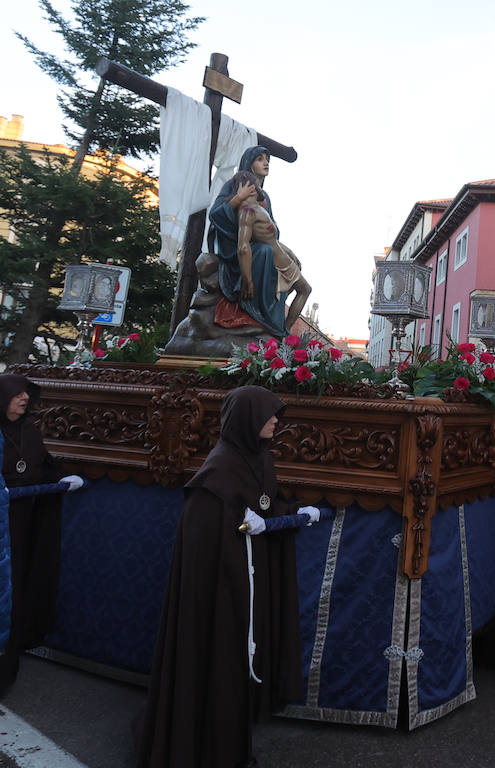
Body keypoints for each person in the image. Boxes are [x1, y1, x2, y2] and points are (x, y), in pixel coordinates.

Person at [137, 386, 318, 768]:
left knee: (237, 672)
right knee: (219, 667)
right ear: (247, 419)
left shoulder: (260, 460)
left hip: (249, 582)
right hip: (222, 593)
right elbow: (207, 541)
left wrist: (297, 511)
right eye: (269, 414)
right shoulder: (217, 472)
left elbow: (264, 505)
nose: (275, 421)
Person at [0, 374, 84, 690]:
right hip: (1, 519)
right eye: (17, 393)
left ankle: (8, 663)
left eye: (27, 394)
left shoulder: (30, 432)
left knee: (15, 587)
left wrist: (64, 480)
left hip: (24, 521)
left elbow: (44, 466)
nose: (24, 398)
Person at [208, 146, 298, 338]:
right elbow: (215, 215)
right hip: (235, 248)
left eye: (267, 159)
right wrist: (238, 198)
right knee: (265, 252)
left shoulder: (264, 197)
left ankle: (276, 322)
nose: (265, 163)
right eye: (259, 159)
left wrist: (288, 252)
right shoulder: (234, 185)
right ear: (249, 163)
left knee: (285, 263)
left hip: (261, 245)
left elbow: (273, 231)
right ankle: (254, 307)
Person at [229, 170, 311, 333]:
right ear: (249, 186)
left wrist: (288, 251)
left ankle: (282, 328)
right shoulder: (248, 211)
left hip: (282, 257)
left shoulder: (255, 208)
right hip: (279, 263)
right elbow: (243, 247)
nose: (260, 186)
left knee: (296, 291)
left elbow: (269, 238)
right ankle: (284, 331)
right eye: (256, 183)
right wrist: (248, 281)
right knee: (305, 289)